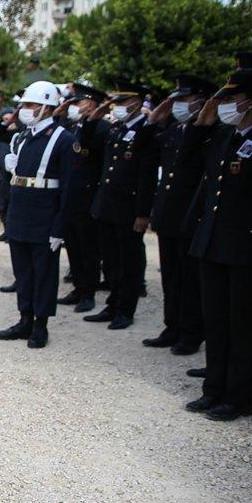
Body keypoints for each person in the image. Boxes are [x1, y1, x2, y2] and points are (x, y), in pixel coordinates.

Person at [181, 52, 252, 422]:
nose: (222, 104)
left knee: (243, 325)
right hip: (213, 242)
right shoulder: (224, 136)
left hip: (247, 248)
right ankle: (213, 389)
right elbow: (188, 165)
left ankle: (238, 399)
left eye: (230, 98)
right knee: (216, 320)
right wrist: (201, 126)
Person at [0, 81, 77, 348]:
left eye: (30, 105)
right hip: (21, 212)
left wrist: (59, 228)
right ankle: (25, 318)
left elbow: (69, 189)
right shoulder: (24, 136)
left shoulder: (64, 139)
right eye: (24, 105)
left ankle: (41, 324)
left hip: (44, 216)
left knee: (44, 273)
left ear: (47, 107)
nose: (24, 110)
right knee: (24, 271)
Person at [142, 74, 215, 355]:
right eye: (177, 99)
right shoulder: (174, 128)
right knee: (171, 277)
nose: (179, 104)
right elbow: (145, 143)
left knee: (190, 280)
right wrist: (158, 114)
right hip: (170, 214)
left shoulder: (209, 133)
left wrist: (201, 122)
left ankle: (191, 332)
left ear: (201, 101)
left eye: (184, 99)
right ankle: (171, 326)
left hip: (191, 216)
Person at [85, 83, 158, 330]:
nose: (116, 107)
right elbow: (86, 140)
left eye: (122, 102)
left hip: (129, 207)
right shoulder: (115, 129)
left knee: (129, 262)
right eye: (115, 102)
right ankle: (113, 303)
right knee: (111, 260)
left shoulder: (145, 132)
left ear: (136, 103)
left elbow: (146, 176)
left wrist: (143, 213)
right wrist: (97, 114)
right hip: (107, 205)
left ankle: (126, 309)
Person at [57, 83, 110, 314]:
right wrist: (59, 114)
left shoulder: (102, 127)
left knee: (89, 248)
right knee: (73, 246)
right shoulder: (72, 126)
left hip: (88, 194)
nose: (74, 106)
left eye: (79, 102)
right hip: (70, 193)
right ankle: (78, 287)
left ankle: (88, 292)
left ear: (92, 104)